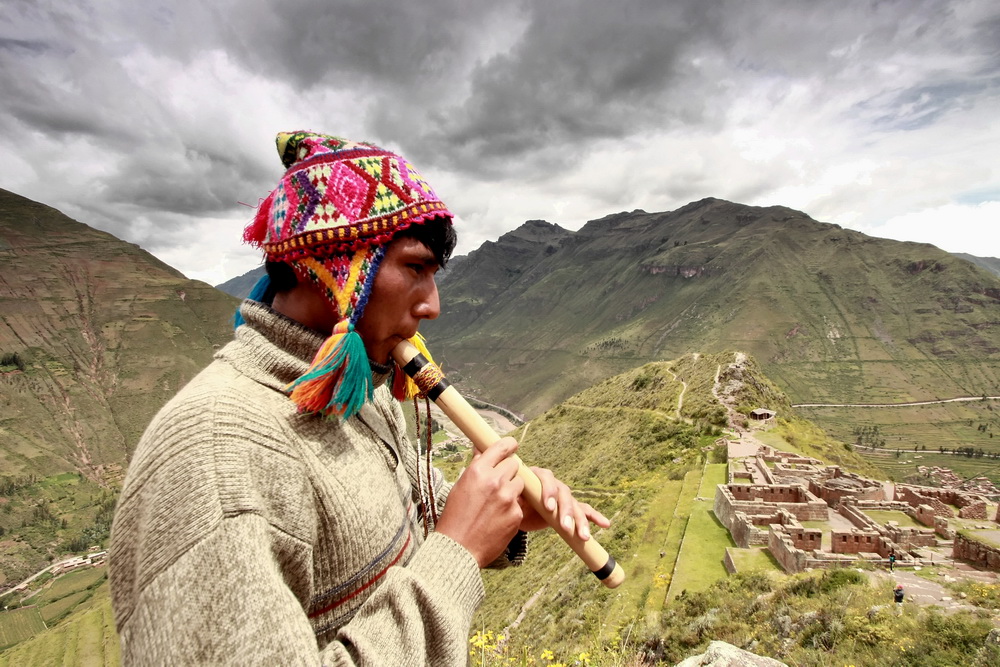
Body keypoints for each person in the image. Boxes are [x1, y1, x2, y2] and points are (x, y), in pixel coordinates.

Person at [108, 132, 610, 665]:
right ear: (333, 268)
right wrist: (457, 554)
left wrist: (500, 516)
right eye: (415, 268)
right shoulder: (210, 456)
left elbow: (407, 524)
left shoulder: (360, 389)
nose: (433, 306)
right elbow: (442, 555)